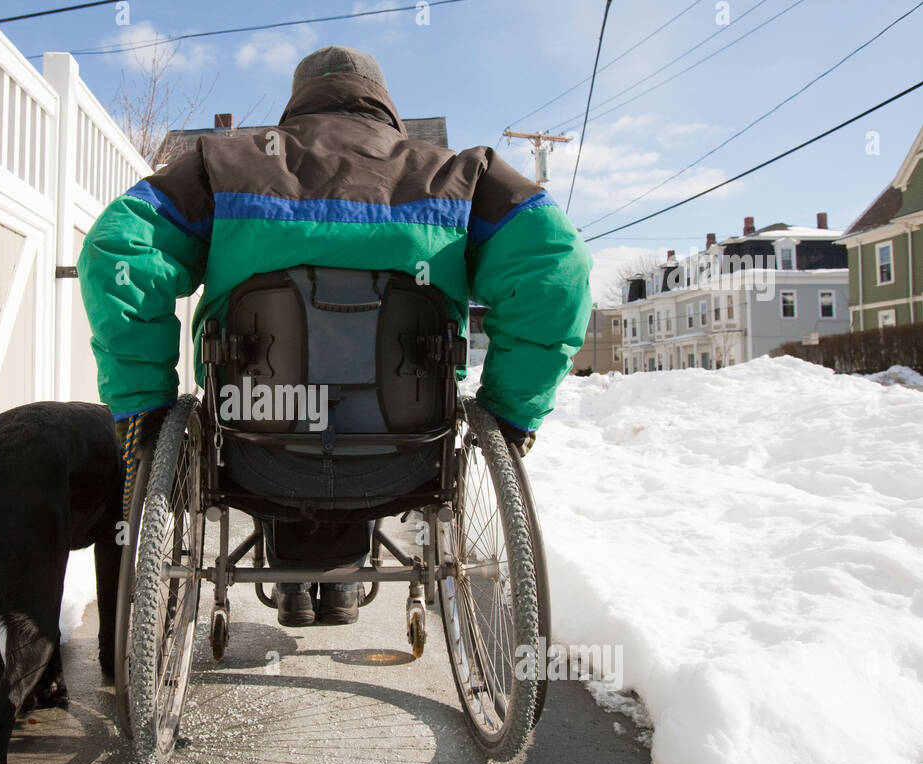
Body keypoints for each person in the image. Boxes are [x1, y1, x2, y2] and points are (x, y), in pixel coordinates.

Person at [78, 46, 592, 628]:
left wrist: (143, 401)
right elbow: (558, 270)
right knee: (370, 395)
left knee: (280, 391)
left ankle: (298, 585)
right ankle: (342, 584)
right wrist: (510, 410)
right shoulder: (462, 178)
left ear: (296, 102)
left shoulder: (223, 167)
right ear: (384, 102)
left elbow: (114, 250)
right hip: (406, 457)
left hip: (254, 453)